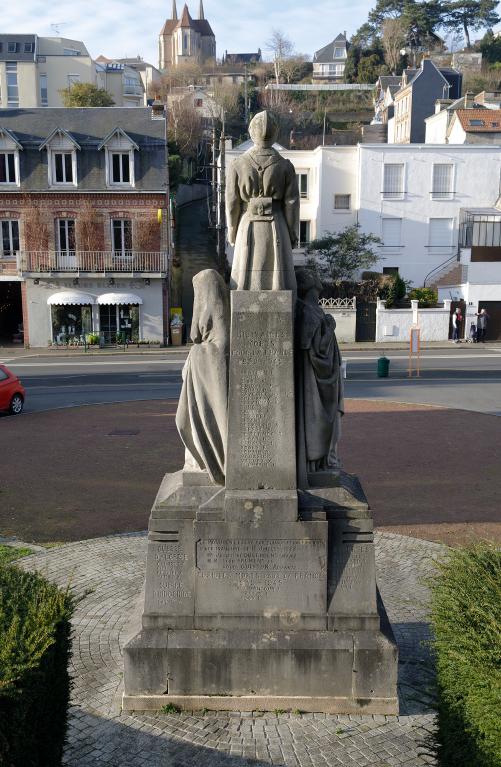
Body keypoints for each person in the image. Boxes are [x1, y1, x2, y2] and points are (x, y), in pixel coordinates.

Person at [226, 110, 299, 292]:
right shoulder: (285, 166)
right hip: (278, 225)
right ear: (275, 134)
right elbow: (291, 204)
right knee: (278, 282)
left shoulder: (237, 164)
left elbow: (232, 203)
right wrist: (292, 233)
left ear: (251, 131)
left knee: (243, 281)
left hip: (247, 223)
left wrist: (232, 231)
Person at [175, 270, 230, 485]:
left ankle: (207, 463)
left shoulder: (211, 308)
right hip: (212, 364)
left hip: (208, 363)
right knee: (211, 416)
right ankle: (213, 461)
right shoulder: (223, 309)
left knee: (186, 420)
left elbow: (194, 335)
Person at [295, 269, 344, 489]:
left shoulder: (311, 311)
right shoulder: (309, 312)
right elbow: (313, 347)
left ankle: (321, 460)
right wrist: (330, 328)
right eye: (317, 284)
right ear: (312, 287)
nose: (320, 287)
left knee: (325, 421)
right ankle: (318, 461)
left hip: (321, 378)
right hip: (314, 381)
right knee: (319, 419)